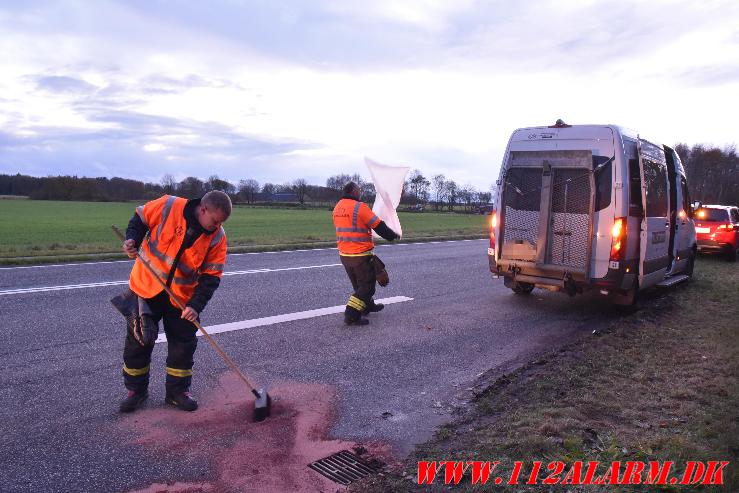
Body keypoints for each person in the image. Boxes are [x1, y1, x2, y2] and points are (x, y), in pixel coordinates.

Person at [117, 190, 231, 413]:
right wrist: (133, 239)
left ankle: (177, 392)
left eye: (221, 222)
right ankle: (136, 391)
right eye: (215, 220)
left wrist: (195, 306)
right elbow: (140, 218)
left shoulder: (217, 236)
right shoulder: (168, 205)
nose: (217, 226)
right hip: (146, 286)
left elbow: (211, 276)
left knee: (183, 345)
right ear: (203, 209)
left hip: (182, 298)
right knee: (138, 342)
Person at [333, 181, 399, 326]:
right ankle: (351, 315)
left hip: (344, 254)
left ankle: (368, 306)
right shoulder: (359, 207)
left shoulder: (337, 207)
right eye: (359, 190)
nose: (360, 192)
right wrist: (392, 235)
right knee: (367, 287)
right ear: (353, 191)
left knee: (359, 284)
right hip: (360, 255)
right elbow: (378, 225)